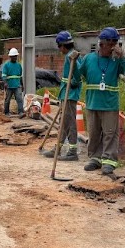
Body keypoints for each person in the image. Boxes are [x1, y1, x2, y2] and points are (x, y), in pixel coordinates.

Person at [76, 27, 125, 175]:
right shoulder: (89, 58)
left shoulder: (116, 60)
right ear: (102, 44)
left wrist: (122, 57)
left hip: (109, 104)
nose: (114, 47)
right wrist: (73, 62)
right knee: (94, 132)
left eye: (116, 43)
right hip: (92, 102)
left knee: (110, 133)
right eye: (111, 44)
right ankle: (95, 158)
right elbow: (78, 74)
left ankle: (109, 160)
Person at [46, 31, 81, 160]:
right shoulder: (69, 56)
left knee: (70, 123)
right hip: (65, 94)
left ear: (62, 45)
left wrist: (73, 82)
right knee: (63, 123)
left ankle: (72, 151)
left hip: (70, 95)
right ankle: (58, 148)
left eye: (59, 46)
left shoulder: (72, 56)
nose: (59, 49)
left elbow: (77, 75)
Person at [1, 47, 24, 117]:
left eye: (16, 56)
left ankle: (21, 112)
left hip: (17, 85)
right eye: (14, 56)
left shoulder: (19, 65)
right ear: (10, 56)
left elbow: (20, 76)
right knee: (7, 100)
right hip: (9, 86)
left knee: (19, 99)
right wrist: (5, 83)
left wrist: (22, 85)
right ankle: (6, 112)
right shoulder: (6, 65)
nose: (15, 58)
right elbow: (4, 75)